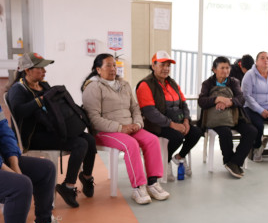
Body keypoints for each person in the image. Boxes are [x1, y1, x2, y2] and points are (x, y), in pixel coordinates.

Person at [7, 52, 96, 208]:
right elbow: (19, 111)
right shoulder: (18, 89)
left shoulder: (44, 85)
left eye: (44, 68)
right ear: (27, 70)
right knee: (79, 143)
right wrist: (40, 101)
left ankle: (87, 177)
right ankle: (68, 186)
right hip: (33, 137)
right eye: (40, 68)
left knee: (89, 139)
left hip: (51, 129)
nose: (44, 71)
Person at [81, 53, 170, 205]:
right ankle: (138, 187)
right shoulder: (93, 87)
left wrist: (137, 123)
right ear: (98, 69)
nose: (113, 69)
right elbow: (93, 119)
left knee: (152, 140)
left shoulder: (124, 85)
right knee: (131, 144)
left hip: (130, 127)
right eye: (108, 65)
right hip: (106, 131)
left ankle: (153, 183)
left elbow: (135, 108)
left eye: (114, 65)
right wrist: (120, 128)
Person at [0, 104, 74, 223]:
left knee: (45, 169)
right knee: (20, 185)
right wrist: (8, 171)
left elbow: (4, 132)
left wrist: (14, 164)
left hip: (2, 160)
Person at [136, 50, 202, 181]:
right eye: (162, 65)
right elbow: (150, 112)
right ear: (153, 65)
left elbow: (184, 104)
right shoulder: (145, 84)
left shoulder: (172, 83)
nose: (166, 69)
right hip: (157, 124)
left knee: (196, 132)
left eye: (168, 65)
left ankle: (179, 157)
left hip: (177, 121)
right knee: (176, 137)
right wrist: (172, 125)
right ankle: (164, 161)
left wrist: (186, 121)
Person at [198, 56, 257, 178]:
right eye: (222, 68)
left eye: (227, 68)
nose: (225, 71)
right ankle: (230, 161)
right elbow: (202, 101)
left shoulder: (234, 82)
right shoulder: (207, 83)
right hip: (216, 117)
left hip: (235, 116)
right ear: (214, 69)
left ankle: (234, 162)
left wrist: (229, 102)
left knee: (252, 131)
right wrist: (217, 99)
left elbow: (241, 98)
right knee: (225, 132)